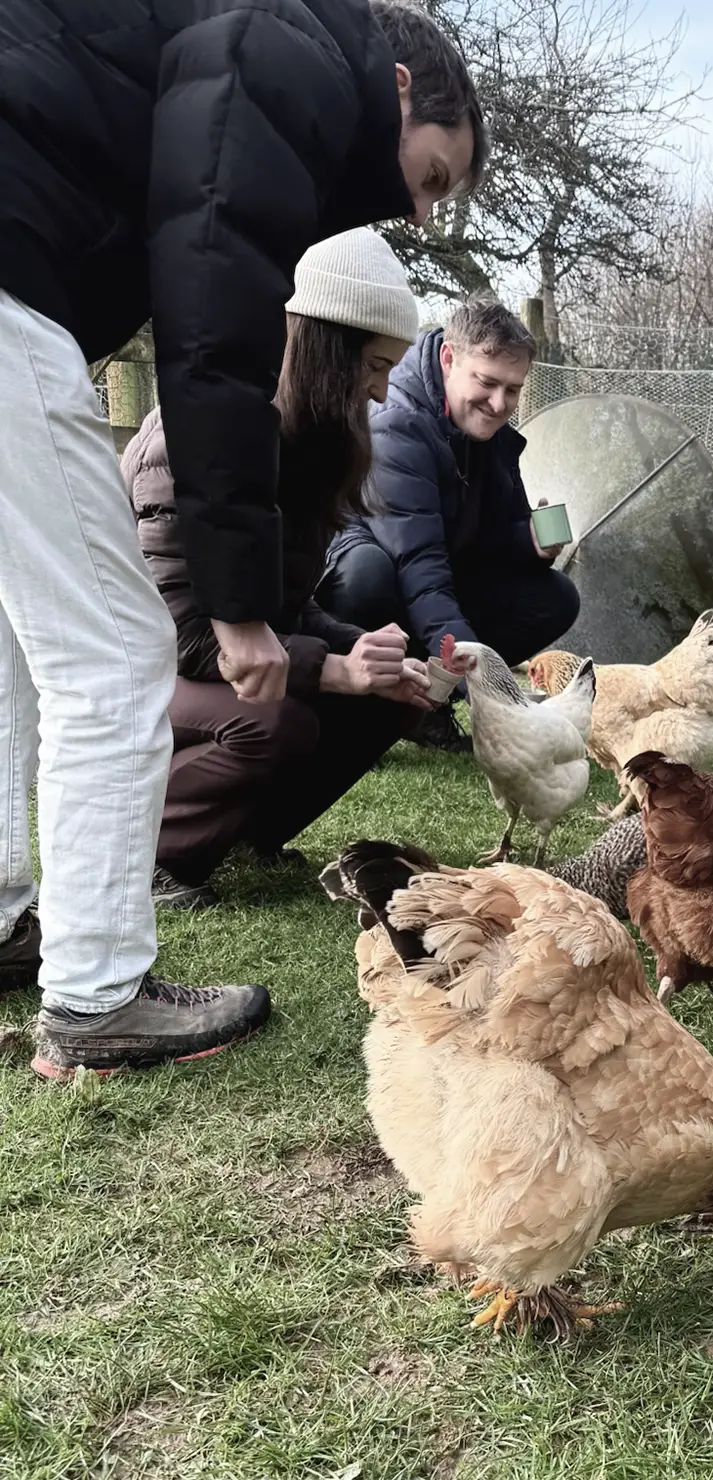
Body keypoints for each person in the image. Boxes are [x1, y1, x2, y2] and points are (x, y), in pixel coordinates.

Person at [0, 1, 484, 1078]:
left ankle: (6, 924)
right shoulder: (289, 54)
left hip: (23, 270)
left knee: (15, 648)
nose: (416, 208)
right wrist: (242, 609)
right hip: (8, 284)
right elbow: (214, 311)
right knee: (110, 656)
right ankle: (96, 994)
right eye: (433, 176)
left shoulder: (236, 37)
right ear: (401, 87)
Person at [126, 229, 435, 909]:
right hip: (131, 670)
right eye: (375, 367)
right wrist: (331, 669)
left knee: (392, 691)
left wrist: (358, 650)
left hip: (204, 666)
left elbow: (282, 610)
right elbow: (179, 634)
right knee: (270, 723)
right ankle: (150, 854)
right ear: (327, 350)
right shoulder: (184, 443)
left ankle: (245, 828)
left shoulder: (312, 444)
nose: (381, 394)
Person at [317, 297, 581, 751]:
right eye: (487, 382)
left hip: (426, 569)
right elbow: (420, 573)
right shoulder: (398, 424)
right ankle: (349, 708)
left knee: (553, 598)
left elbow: (488, 538)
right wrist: (493, 696)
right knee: (368, 577)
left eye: (513, 389)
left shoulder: (482, 425)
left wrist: (528, 543)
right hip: (366, 564)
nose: (500, 404)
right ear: (448, 358)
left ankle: (422, 702)